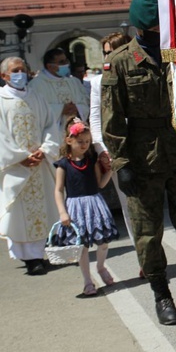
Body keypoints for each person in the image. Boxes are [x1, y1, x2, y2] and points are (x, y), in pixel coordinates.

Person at [101, 0, 176, 326]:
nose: (159, 30)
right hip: (141, 157)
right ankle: (162, 294)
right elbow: (111, 120)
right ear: (139, 28)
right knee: (148, 232)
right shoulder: (119, 62)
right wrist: (121, 165)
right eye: (153, 26)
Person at [0, 57, 59, 276]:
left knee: (43, 208)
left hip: (39, 163)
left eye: (23, 69)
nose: (20, 73)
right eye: (15, 70)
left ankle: (40, 254)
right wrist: (20, 157)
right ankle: (29, 259)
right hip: (15, 167)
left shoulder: (37, 97)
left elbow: (50, 125)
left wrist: (44, 149)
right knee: (18, 213)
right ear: (4, 76)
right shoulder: (0, 100)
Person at [53, 118, 119, 296]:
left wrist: (111, 169)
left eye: (87, 142)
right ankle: (87, 280)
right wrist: (62, 212)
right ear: (69, 140)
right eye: (80, 141)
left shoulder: (92, 161)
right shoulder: (63, 165)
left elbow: (101, 184)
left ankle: (100, 266)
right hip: (75, 207)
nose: (84, 145)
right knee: (82, 247)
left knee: (103, 242)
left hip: (94, 204)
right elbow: (58, 190)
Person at [90, 32, 136, 248]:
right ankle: (143, 256)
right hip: (116, 150)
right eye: (105, 52)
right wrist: (102, 151)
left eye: (112, 52)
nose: (107, 57)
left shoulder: (137, 72)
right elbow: (96, 118)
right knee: (129, 203)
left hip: (143, 145)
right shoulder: (97, 82)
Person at [28, 47, 90, 134]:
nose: (66, 64)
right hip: (52, 134)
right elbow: (35, 110)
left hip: (76, 133)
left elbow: (86, 101)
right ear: (49, 66)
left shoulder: (74, 82)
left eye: (66, 61)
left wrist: (77, 108)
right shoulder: (36, 85)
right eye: (61, 62)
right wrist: (61, 109)